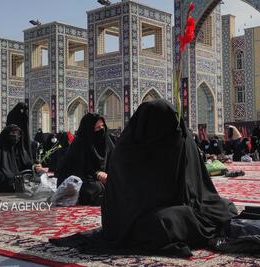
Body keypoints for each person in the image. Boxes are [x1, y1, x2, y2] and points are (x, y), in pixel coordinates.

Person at [100, 99, 237, 256]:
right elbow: (131, 198)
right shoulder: (126, 151)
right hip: (130, 219)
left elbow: (195, 192)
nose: (175, 131)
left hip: (169, 208)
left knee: (225, 207)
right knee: (159, 224)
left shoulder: (178, 141)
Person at [56, 113, 116, 205]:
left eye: (102, 126)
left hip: (101, 179)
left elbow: (114, 163)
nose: (101, 130)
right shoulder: (79, 144)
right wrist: (96, 174)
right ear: (89, 130)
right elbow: (77, 170)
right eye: (97, 128)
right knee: (94, 187)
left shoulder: (107, 142)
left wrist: (109, 175)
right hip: (82, 180)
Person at [0, 124, 42, 193]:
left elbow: (23, 163)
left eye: (18, 134)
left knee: (39, 175)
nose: (16, 136)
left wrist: (34, 166)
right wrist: (11, 176)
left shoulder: (15, 146)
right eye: (13, 133)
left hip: (14, 175)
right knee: (12, 181)